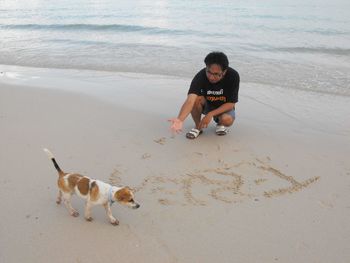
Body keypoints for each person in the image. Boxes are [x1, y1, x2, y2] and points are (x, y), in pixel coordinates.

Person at [169, 51, 240, 139]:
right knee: (195, 99)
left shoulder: (233, 76)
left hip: (223, 106)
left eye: (216, 74)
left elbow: (231, 104)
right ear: (206, 67)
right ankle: (198, 127)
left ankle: (220, 124)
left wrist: (210, 114)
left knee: (227, 120)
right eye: (209, 72)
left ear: (224, 71)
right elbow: (190, 100)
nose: (211, 77)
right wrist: (180, 119)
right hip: (207, 104)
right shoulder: (200, 76)